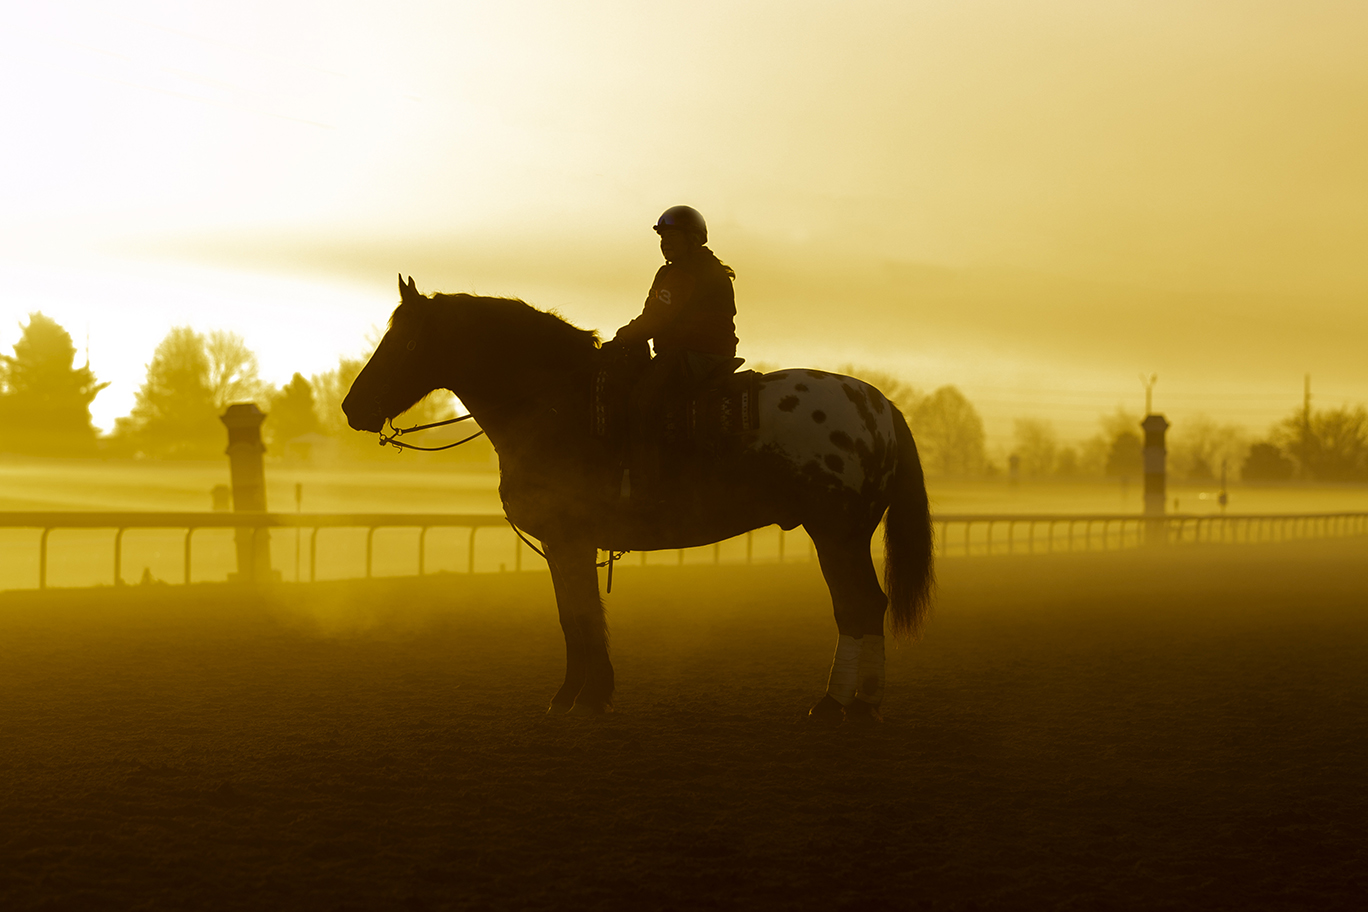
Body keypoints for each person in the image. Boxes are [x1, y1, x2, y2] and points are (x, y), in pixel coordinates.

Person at [611, 205, 738, 505]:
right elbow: (652, 314)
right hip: (688, 352)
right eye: (662, 237)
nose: (665, 242)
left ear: (694, 240)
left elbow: (657, 318)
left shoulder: (689, 271)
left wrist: (622, 337)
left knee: (641, 402)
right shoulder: (675, 270)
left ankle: (645, 488)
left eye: (672, 236)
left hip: (696, 355)